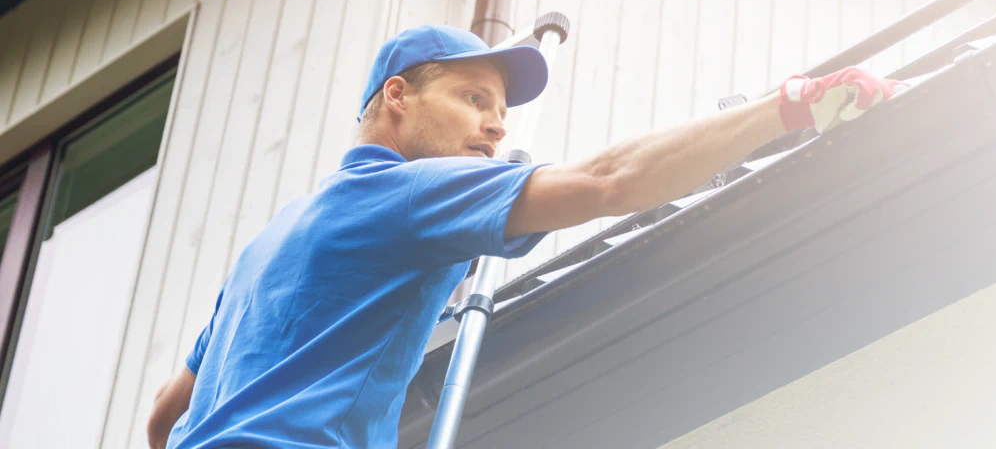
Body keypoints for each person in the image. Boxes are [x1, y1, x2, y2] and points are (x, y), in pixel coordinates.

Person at [146, 24, 904, 448]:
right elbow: (611, 180)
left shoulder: (268, 243)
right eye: (474, 98)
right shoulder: (409, 193)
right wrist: (791, 105)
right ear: (397, 96)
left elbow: (162, 416)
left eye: (502, 111)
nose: (496, 125)